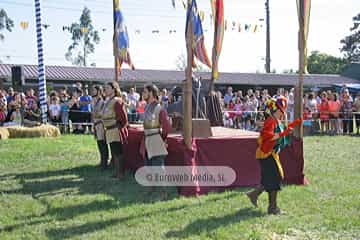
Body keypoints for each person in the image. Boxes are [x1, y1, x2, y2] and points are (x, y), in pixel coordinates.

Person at [246, 96, 302, 215]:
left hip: (270, 154)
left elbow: (279, 137)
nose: (282, 113)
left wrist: (288, 130)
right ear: (275, 110)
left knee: (270, 179)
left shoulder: (276, 121)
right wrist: (284, 133)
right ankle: (272, 207)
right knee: (275, 178)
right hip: (266, 154)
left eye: (282, 111)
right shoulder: (271, 120)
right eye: (281, 111)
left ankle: (255, 195)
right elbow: (269, 136)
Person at [140, 84, 171, 200]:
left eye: (145, 92)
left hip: (156, 139)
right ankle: (152, 188)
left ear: (151, 93)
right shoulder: (147, 106)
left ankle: (164, 192)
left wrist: (161, 139)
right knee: (149, 165)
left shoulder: (159, 108)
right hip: (147, 139)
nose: (143, 94)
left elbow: (167, 127)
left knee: (158, 167)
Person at [102, 82, 128, 179]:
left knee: (118, 152)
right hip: (109, 130)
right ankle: (117, 173)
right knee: (114, 152)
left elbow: (123, 117)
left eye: (108, 88)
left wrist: (119, 127)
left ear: (114, 89)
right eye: (105, 88)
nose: (106, 90)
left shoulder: (117, 101)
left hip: (115, 130)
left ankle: (120, 174)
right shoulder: (108, 101)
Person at [92, 85, 109, 170]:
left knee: (102, 143)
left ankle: (104, 162)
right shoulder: (95, 101)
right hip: (96, 124)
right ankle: (102, 161)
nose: (93, 92)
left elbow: (101, 113)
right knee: (99, 143)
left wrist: (95, 114)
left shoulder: (102, 101)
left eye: (94, 90)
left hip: (101, 124)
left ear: (99, 91)